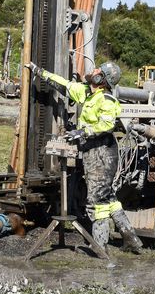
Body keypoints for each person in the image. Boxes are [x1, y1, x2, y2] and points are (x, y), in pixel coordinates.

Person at [26, 60, 143, 254]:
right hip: (92, 151)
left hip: (103, 153)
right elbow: (64, 85)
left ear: (102, 78)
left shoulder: (107, 100)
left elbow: (106, 125)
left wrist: (82, 132)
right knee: (108, 197)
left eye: (98, 71)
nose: (93, 71)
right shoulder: (88, 94)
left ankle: (99, 247)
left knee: (96, 201)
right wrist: (40, 72)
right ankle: (131, 239)